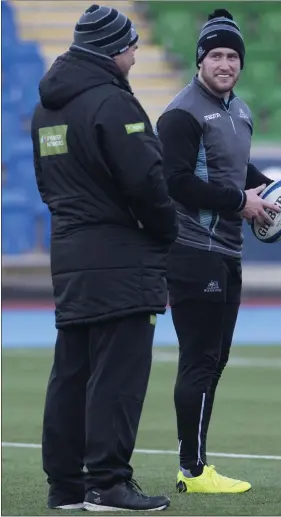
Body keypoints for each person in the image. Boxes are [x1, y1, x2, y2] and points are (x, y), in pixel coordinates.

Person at [31, 4, 177, 512]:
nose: (137, 54)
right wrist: (166, 231)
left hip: (71, 251)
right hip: (121, 254)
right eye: (132, 46)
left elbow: (47, 184)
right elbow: (145, 183)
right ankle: (108, 483)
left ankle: (66, 486)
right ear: (113, 49)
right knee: (118, 374)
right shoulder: (112, 103)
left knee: (72, 371)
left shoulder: (46, 107)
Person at [156, 8, 281, 494]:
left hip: (226, 251)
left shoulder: (240, 110)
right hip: (192, 250)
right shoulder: (181, 113)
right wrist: (239, 202)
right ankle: (193, 470)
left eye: (233, 55)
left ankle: (197, 463)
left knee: (215, 359)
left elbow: (236, 171)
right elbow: (175, 181)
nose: (225, 63)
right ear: (200, 60)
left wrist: (270, 191)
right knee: (201, 359)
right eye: (216, 55)